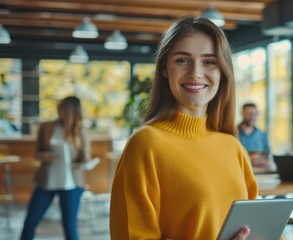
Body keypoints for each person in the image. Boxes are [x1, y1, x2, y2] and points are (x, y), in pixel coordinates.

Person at [109, 17, 259, 239]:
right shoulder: (145, 145)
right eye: (182, 60)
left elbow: (257, 227)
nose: (196, 72)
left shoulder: (233, 147)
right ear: (165, 69)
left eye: (209, 62)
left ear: (222, 72)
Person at [20, 96, 90, 240]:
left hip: (72, 184)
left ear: (70, 112)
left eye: (62, 109)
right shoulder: (46, 127)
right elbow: (37, 153)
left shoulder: (80, 130)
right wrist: (45, 156)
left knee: (69, 227)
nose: (59, 111)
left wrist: (79, 163)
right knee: (30, 222)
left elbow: (85, 158)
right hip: (47, 181)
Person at [238, 103, 272, 168]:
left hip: (259, 171)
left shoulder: (262, 135)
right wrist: (249, 159)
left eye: (254, 114)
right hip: (240, 170)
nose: (252, 116)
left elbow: (267, 155)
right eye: (249, 114)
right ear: (242, 113)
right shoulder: (233, 133)